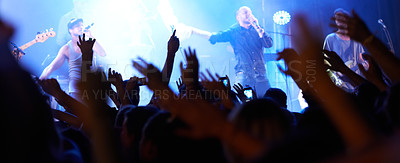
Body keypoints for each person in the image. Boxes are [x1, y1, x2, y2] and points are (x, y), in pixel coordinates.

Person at [190, 6, 273, 97]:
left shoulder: (258, 30)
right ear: (238, 17)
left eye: (250, 12)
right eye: (245, 12)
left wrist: (260, 31)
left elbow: (268, 44)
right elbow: (215, 37)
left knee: (269, 101)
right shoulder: (233, 32)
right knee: (239, 101)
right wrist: (194, 31)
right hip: (244, 74)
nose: (249, 15)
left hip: (261, 74)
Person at [40, 18, 106, 101]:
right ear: (70, 30)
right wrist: (39, 81)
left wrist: (90, 36)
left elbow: (103, 53)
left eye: (82, 25)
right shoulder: (66, 48)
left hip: (93, 87)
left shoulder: (90, 42)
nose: (81, 27)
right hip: (76, 90)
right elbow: (51, 67)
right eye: (77, 26)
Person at [323, 8, 367, 91]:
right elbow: (326, 62)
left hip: (357, 82)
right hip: (341, 84)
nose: (339, 20)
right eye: (337, 18)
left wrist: (365, 64)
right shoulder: (330, 38)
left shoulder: (355, 38)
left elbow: (360, 59)